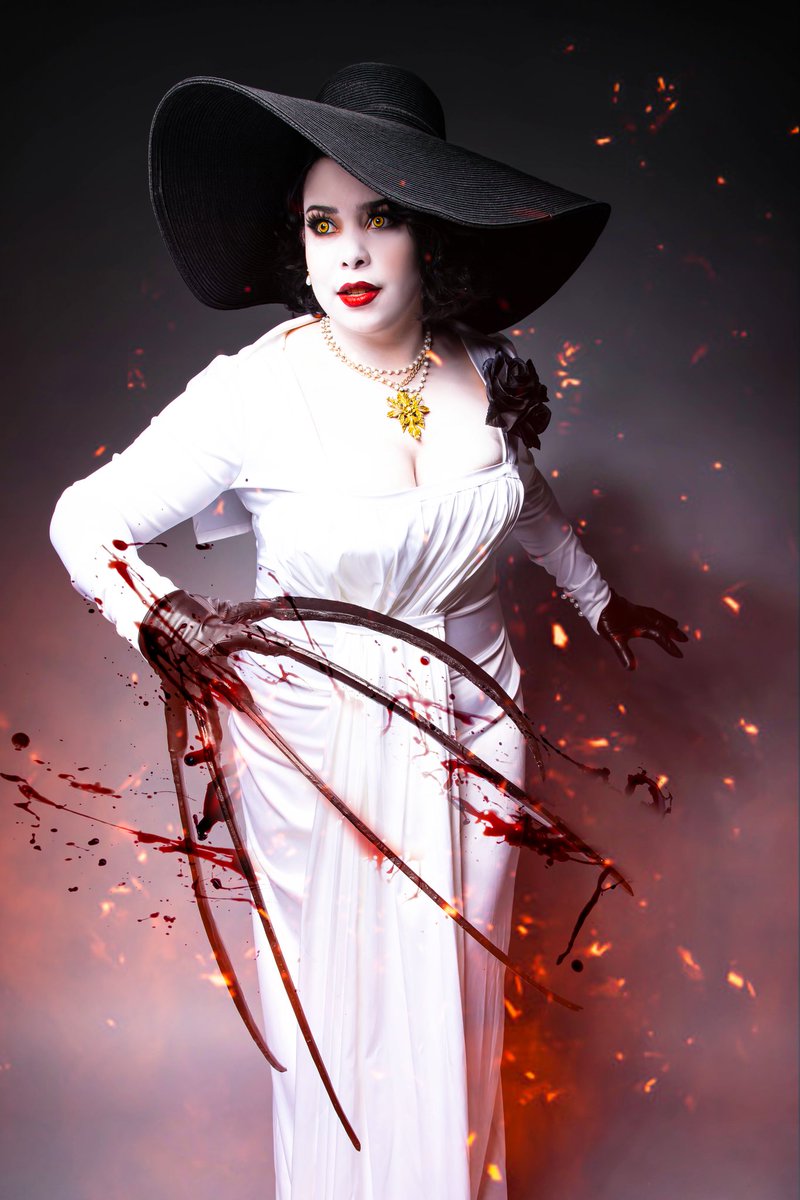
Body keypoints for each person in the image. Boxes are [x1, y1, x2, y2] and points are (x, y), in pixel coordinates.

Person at [50, 62, 687, 1200]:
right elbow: (82, 522)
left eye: (378, 216)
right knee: (341, 1012)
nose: (347, 251)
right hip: (317, 742)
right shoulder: (255, 393)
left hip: (477, 719)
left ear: (429, 232)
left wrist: (600, 599)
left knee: (454, 989)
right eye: (321, 222)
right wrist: (166, 629)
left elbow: (517, 498)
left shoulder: (483, 367)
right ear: (296, 244)